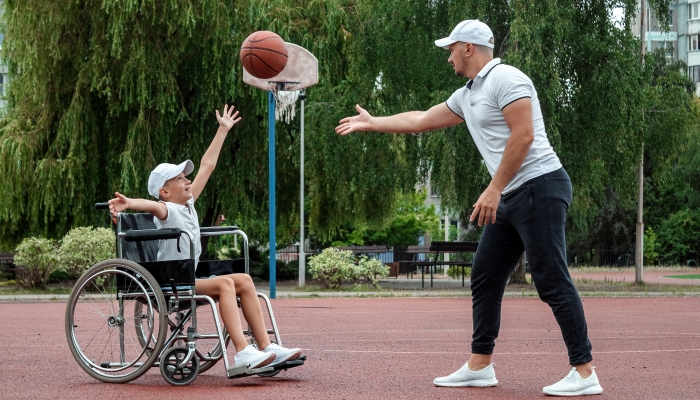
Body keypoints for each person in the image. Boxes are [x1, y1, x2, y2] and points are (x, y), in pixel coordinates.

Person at [335, 20, 602, 397]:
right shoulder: (468, 93)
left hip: (539, 186)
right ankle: (480, 365)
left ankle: (584, 370)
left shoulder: (507, 78)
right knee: (485, 275)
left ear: (469, 48)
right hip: (510, 192)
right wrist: (373, 123)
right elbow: (421, 120)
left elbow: (524, 135)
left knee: (550, 278)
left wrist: (494, 189)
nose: (448, 57)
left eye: (451, 49)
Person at [109, 104, 301, 370]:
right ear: (165, 191)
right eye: (179, 178)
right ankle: (242, 353)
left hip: (188, 278)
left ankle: (266, 347)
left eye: (186, 176)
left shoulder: (188, 204)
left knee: (244, 280)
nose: (187, 180)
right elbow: (150, 205)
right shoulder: (167, 209)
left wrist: (223, 129)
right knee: (224, 285)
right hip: (170, 284)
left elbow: (207, 166)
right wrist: (129, 203)